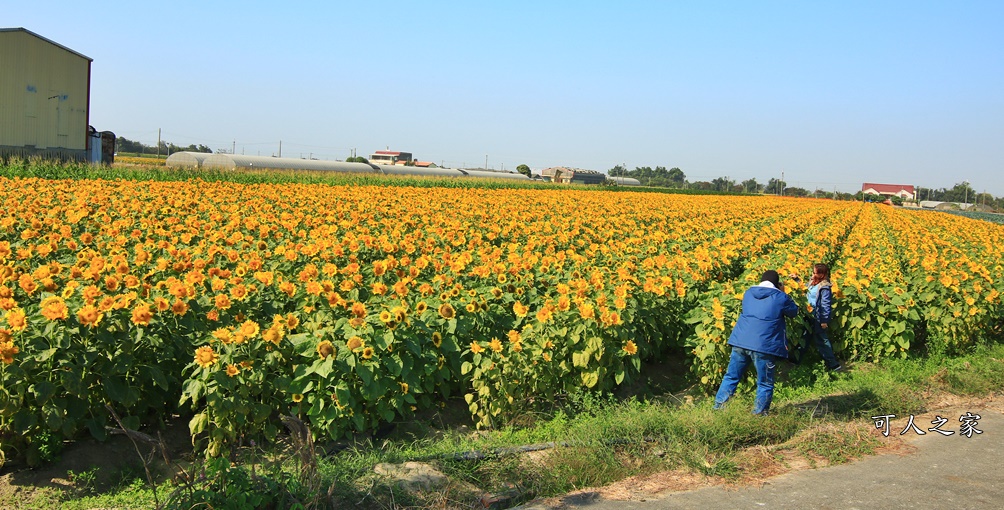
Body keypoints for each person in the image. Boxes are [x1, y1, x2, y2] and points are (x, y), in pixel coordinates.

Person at [713, 270, 799, 415]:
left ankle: (719, 408)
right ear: (776, 284)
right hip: (764, 345)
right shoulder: (780, 297)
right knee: (764, 382)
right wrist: (784, 293)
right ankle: (759, 414)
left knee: (731, 376)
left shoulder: (748, 293)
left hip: (740, 341)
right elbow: (793, 312)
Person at [789, 263, 843, 372]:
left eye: (814, 273)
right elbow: (805, 290)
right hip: (809, 314)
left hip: (818, 316)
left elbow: (825, 305)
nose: (812, 274)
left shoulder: (825, 287)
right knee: (804, 336)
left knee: (821, 340)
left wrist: (824, 320)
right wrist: (797, 280)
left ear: (821, 274)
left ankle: (833, 364)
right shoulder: (813, 282)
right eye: (812, 272)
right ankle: (795, 360)